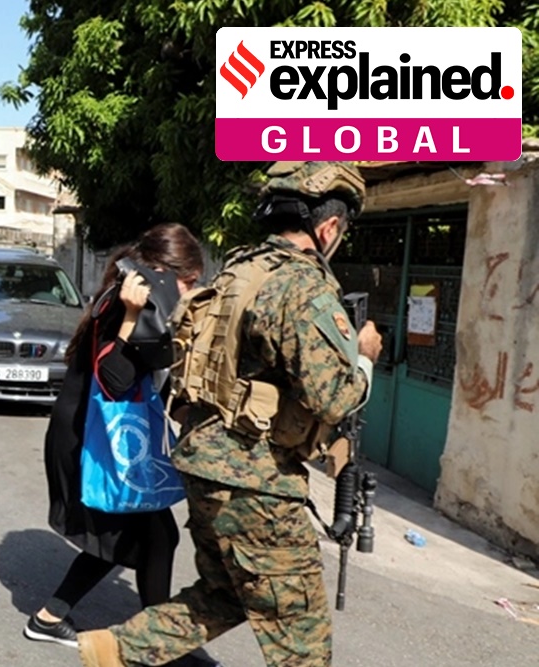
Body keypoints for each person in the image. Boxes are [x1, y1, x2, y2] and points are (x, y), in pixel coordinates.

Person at [77, 161, 384, 667]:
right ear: (329, 228)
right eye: (341, 231)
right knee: (300, 631)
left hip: (205, 467)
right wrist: (366, 358)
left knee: (226, 594)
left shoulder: (238, 272)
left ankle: (113, 650)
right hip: (256, 480)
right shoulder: (302, 286)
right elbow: (332, 397)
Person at [28, 225, 204, 654]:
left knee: (128, 534)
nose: (191, 292)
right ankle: (157, 645)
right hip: (89, 439)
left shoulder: (154, 307)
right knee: (151, 533)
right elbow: (115, 379)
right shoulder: (120, 306)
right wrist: (128, 317)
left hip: (111, 437)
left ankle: (51, 617)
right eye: (188, 282)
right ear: (160, 272)